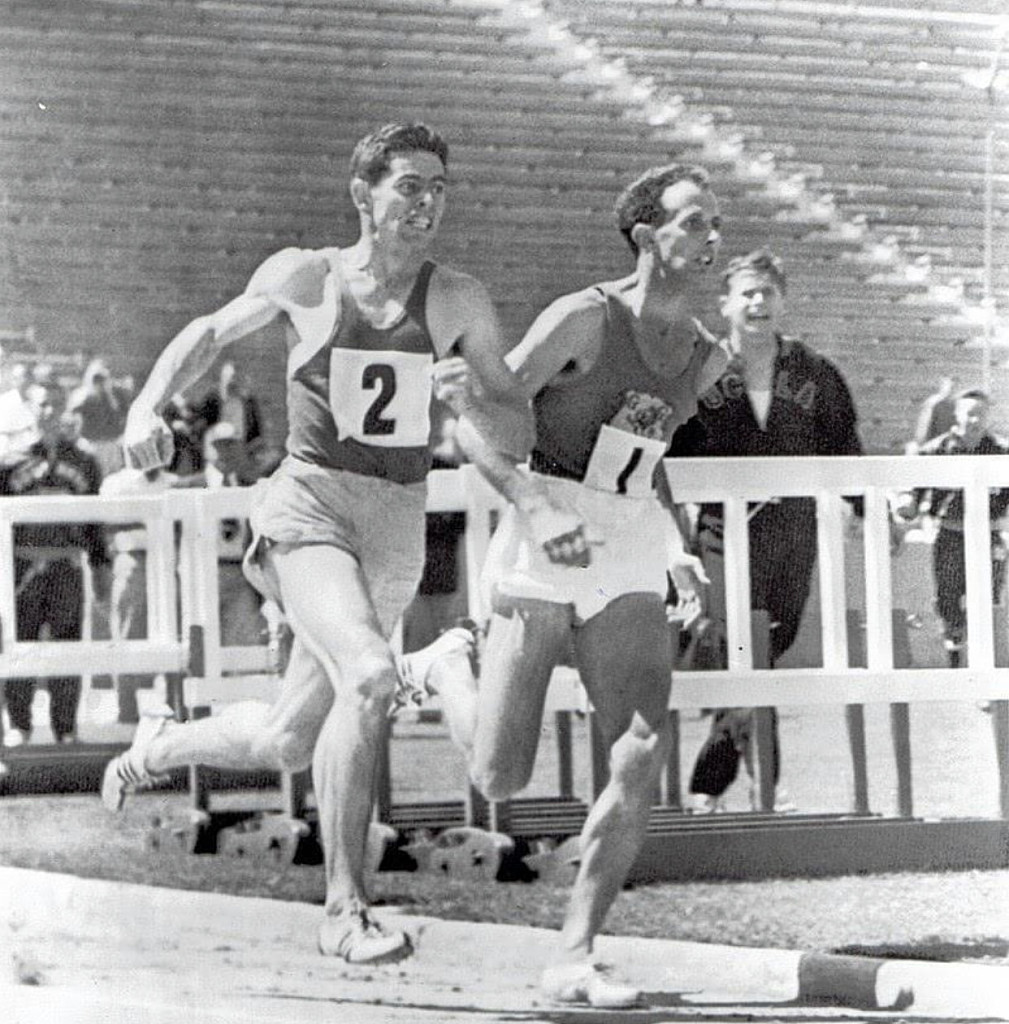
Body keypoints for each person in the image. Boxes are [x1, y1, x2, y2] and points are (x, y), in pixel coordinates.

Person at [100, 122, 532, 965]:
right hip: (307, 510)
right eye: (409, 186)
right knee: (368, 676)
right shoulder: (307, 274)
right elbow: (210, 333)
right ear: (362, 194)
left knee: (288, 739)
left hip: (395, 523)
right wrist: (146, 405)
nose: (426, 204)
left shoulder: (458, 299)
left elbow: (516, 424)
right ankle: (344, 907)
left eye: (439, 188)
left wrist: (470, 402)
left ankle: (159, 745)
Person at [411, 163, 726, 1008]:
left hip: (627, 548)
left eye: (715, 224)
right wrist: (532, 504)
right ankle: (446, 668)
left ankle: (575, 953)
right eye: (694, 222)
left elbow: (646, 456)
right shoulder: (583, 316)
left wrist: (677, 546)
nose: (711, 238)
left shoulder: (706, 353)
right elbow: (478, 425)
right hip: (544, 531)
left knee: (641, 751)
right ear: (645, 235)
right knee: (499, 777)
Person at [668, 248, 863, 813]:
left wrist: (873, 511)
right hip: (721, 531)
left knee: (764, 653)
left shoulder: (814, 370)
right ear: (725, 304)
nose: (758, 302)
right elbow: (672, 446)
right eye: (747, 293)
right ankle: (744, 786)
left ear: (783, 302)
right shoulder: (699, 367)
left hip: (791, 534)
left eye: (768, 292)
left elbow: (844, 447)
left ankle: (730, 778)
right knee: (736, 649)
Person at [1, 381, 110, 745]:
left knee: (67, 645)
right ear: (29, 408)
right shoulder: (10, 462)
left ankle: (65, 728)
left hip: (66, 566)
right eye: (42, 404)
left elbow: (94, 523)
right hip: (23, 566)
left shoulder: (83, 461)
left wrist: (100, 566)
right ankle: (20, 725)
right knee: (21, 644)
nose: (49, 412)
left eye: (55, 405)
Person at [894, 388, 1009, 666]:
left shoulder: (1001, 451)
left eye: (981, 414)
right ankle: (955, 655)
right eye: (970, 414)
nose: (975, 420)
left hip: (989, 536)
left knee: (989, 599)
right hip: (950, 535)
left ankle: (985, 663)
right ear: (957, 415)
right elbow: (912, 487)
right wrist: (907, 503)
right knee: (948, 598)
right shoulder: (938, 450)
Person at [67, 357, 131, 478]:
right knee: (92, 478)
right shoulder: (82, 394)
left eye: (102, 377)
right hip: (90, 444)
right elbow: (71, 416)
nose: (99, 381)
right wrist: (90, 390)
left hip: (111, 444)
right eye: (96, 377)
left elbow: (122, 414)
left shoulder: (115, 394)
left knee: (113, 479)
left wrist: (108, 391)